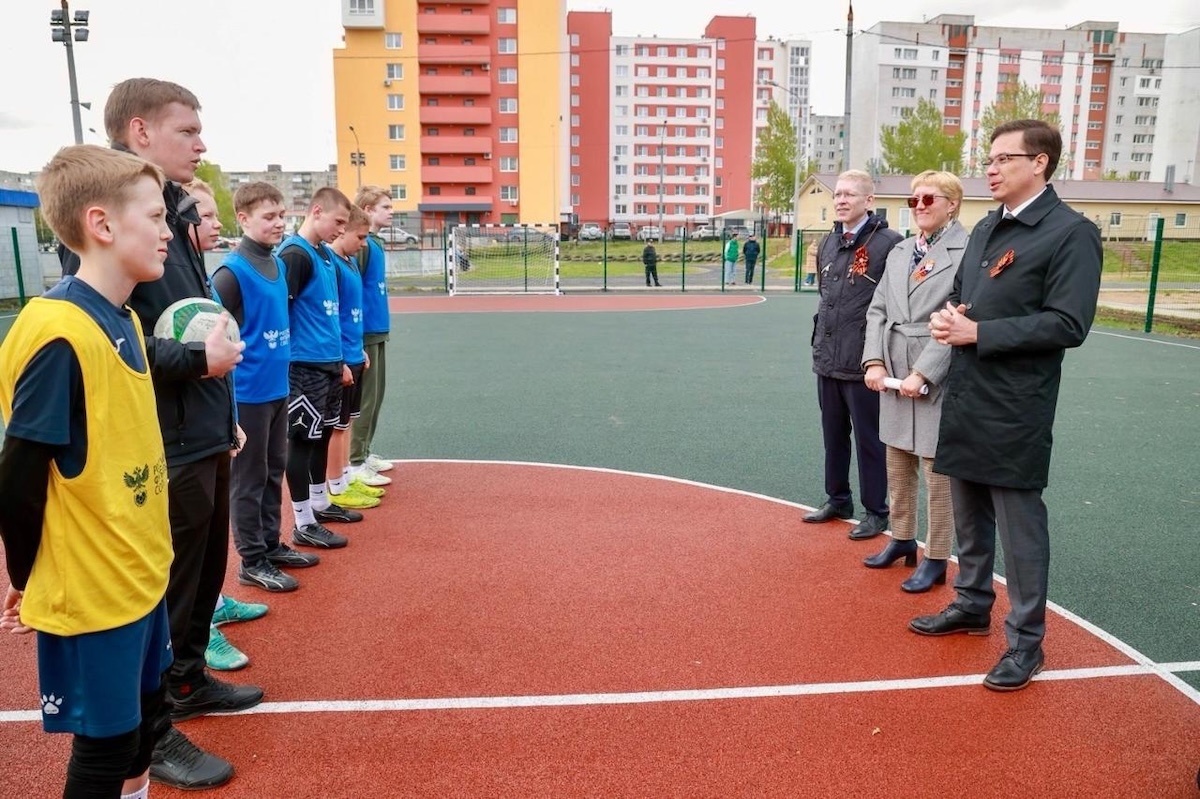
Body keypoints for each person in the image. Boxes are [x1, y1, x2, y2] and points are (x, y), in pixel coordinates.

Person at [60, 78, 259, 790]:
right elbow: (124, 334)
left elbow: (192, 315)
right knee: (164, 588)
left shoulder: (174, 210)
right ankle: (157, 732)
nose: (201, 145)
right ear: (140, 132)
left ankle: (189, 679)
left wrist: (223, 406)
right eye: (187, 131)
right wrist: (198, 364)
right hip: (160, 441)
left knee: (204, 571)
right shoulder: (118, 213)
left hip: (200, 425)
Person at [0, 144, 175, 799]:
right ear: (102, 225)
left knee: (146, 726)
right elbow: (19, 472)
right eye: (155, 217)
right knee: (103, 748)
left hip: (140, 571)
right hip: (97, 589)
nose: (167, 231)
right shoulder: (58, 332)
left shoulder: (124, 315)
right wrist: (27, 572)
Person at [910, 120, 1103, 692]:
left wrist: (979, 334)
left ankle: (1026, 644)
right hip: (968, 394)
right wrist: (950, 317)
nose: (989, 169)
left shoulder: (1071, 233)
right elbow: (967, 295)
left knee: (1020, 531)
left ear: (1039, 163)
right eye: (987, 159)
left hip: (1017, 405)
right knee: (968, 513)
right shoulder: (990, 226)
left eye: (1002, 159)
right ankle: (971, 604)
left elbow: (1069, 323)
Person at [211, 181, 323, 596]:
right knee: (249, 478)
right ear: (243, 219)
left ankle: (272, 544)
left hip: (278, 388)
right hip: (247, 394)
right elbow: (209, 330)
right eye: (269, 217)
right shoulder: (231, 272)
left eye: (282, 216)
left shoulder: (276, 265)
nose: (279, 224)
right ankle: (251, 560)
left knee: (274, 468)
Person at [861, 171, 968, 592]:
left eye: (929, 199)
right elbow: (878, 309)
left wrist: (924, 372)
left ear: (952, 203)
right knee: (897, 460)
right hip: (892, 363)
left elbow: (960, 314)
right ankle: (902, 538)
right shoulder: (902, 249)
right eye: (913, 201)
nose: (919, 206)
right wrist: (873, 361)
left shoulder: (966, 250)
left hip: (935, 367)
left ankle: (937, 556)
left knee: (935, 468)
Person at [181, 178, 271, 670]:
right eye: (208, 215)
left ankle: (213, 604)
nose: (216, 223)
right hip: (185, 430)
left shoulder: (198, 267)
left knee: (212, 530)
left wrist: (226, 416)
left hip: (216, 413)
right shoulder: (191, 273)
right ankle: (199, 632)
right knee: (191, 537)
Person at [802, 169, 902, 539]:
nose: (841, 200)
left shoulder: (889, 243)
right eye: (838, 194)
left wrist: (877, 354)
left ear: (869, 201)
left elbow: (892, 302)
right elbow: (826, 297)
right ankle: (837, 498)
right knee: (833, 434)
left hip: (864, 361)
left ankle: (876, 511)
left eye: (849, 195)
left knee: (869, 440)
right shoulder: (829, 242)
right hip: (827, 357)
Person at [278, 187, 355, 549]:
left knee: (322, 435)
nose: (341, 229)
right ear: (316, 211)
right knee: (302, 440)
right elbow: (282, 311)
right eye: (338, 221)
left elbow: (328, 316)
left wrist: (339, 362)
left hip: (327, 364)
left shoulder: (324, 255)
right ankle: (302, 521)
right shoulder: (295, 254)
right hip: (303, 366)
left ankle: (320, 502)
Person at [325, 206, 384, 511]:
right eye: (360, 237)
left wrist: (357, 348)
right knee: (337, 424)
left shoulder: (348, 263)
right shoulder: (331, 264)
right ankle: (335, 484)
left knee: (347, 421)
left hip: (352, 352)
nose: (364, 244)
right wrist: (341, 360)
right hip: (340, 359)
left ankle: (346, 476)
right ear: (343, 230)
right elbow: (331, 315)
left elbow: (351, 315)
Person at [349, 186, 396, 487]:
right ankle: (354, 461)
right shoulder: (363, 247)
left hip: (378, 331)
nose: (392, 211)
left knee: (376, 397)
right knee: (365, 399)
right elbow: (354, 289)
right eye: (386, 207)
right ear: (367, 209)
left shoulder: (374, 243)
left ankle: (364, 452)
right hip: (365, 333)